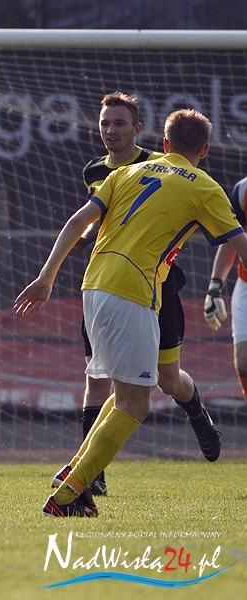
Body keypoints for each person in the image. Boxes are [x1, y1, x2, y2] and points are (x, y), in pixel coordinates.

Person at [14, 108, 247, 517]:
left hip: (94, 286)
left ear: (165, 143)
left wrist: (46, 277)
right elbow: (241, 247)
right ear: (205, 150)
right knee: (136, 403)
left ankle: (75, 472)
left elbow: (77, 220)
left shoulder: (125, 172)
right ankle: (69, 496)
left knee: (126, 392)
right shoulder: (205, 186)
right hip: (132, 291)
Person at [70, 92, 221, 497]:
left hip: (158, 285)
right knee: (97, 378)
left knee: (168, 380)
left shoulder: (161, 164)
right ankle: (91, 476)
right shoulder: (94, 171)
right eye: (105, 123)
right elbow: (102, 217)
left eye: (119, 123)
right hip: (107, 280)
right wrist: (84, 238)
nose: (111, 131)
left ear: (138, 129)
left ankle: (196, 411)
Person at [204, 174, 247, 400]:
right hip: (245, 284)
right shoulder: (243, 190)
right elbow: (232, 238)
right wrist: (215, 287)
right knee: (244, 363)